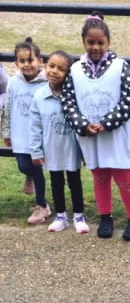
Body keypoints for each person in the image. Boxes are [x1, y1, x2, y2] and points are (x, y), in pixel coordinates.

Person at [61, 11, 130, 241]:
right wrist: (82, 125)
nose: (95, 47)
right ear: (83, 42)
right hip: (90, 136)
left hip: (114, 135)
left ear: (108, 42)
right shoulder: (75, 71)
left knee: (125, 177)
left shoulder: (121, 67)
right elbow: (68, 101)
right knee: (100, 177)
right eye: (90, 42)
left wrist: (107, 123)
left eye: (100, 42)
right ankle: (105, 217)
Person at [30, 51, 89, 234]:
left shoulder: (75, 95)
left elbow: (83, 122)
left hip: (71, 148)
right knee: (56, 183)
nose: (54, 71)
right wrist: (36, 151)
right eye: (51, 66)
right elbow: (35, 126)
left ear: (68, 73)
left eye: (61, 69)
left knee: (74, 182)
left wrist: (86, 151)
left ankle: (79, 215)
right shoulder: (40, 96)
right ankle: (61, 216)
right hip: (52, 149)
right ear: (45, 66)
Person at [1, 38, 50, 223]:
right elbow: (8, 107)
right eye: (22, 61)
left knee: (37, 168)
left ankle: (42, 206)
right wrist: (7, 132)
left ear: (40, 60)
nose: (27, 65)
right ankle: (29, 176)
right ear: (16, 63)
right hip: (19, 133)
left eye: (30, 60)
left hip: (38, 135)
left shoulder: (46, 82)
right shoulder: (13, 82)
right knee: (23, 165)